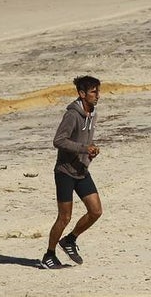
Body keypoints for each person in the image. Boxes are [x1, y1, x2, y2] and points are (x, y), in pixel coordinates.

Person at [41, 75, 102, 269]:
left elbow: (84, 140)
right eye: (93, 92)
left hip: (81, 170)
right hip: (65, 172)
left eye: (98, 91)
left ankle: (70, 240)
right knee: (64, 217)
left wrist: (90, 151)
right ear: (82, 94)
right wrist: (84, 148)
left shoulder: (92, 113)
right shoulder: (72, 115)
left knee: (96, 211)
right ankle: (49, 254)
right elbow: (58, 140)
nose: (97, 95)